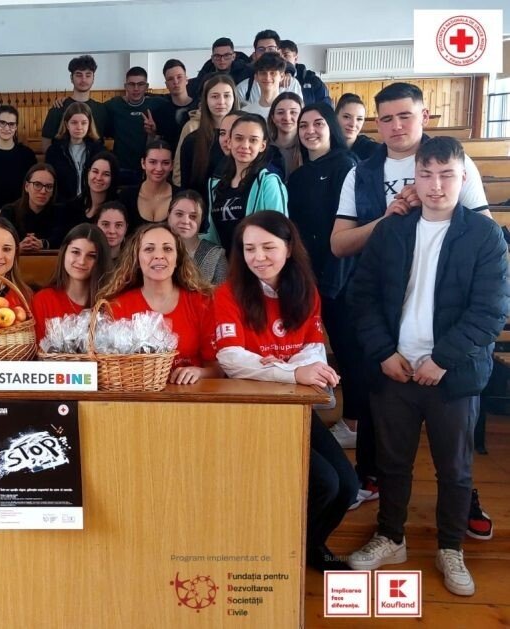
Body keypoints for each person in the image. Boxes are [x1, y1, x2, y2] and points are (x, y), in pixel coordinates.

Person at [345, 137, 509, 596]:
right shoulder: (392, 231)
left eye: (446, 175)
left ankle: (451, 546)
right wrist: (383, 353)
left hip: (452, 375)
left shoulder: (484, 236)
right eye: (426, 175)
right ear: (414, 177)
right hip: (395, 369)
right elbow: (362, 298)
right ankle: (390, 537)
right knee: (391, 463)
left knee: (454, 469)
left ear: (463, 177)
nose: (436, 186)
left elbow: (490, 312)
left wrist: (442, 360)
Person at [332, 82, 493, 512]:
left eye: (405, 115)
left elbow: (483, 233)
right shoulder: (361, 172)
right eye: (386, 118)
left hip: (451, 312)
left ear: (424, 116)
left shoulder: (456, 162)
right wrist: (388, 220)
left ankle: (463, 503)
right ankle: (376, 490)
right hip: (386, 313)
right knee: (381, 420)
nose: (396, 126)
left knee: (454, 441)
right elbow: (339, 245)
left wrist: (431, 206)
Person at [212, 211, 357, 572]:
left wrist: (288, 370)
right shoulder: (228, 293)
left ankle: (310, 544)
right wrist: (294, 372)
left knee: (347, 486)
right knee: (324, 483)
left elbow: (312, 350)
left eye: (268, 247)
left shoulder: (305, 290)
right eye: (249, 249)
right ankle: (284, 549)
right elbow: (231, 359)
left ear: (289, 248)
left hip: (294, 405)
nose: (258, 257)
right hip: (250, 410)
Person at [287, 103, 359, 448]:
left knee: (348, 349)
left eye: (318, 123)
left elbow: (350, 227)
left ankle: (354, 422)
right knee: (307, 344)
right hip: (307, 275)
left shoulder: (346, 166)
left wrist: (333, 281)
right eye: (304, 125)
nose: (310, 130)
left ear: (331, 127)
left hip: (341, 278)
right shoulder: (298, 176)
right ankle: (319, 395)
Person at [99, 223, 221, 385]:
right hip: (139, 396)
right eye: (149, 249)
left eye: (167, 249)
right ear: (137, 259)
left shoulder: (201, 302)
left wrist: (199, 372)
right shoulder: (117, 306)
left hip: (191, 396)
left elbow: (218, 369)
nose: (158, 255)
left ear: (177, 259)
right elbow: (108, 369)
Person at [205, 113, 288, 252]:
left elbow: (280, 233)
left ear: (262, 145)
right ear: (229, 142)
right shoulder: (215, 185)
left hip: (257, 262)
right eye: (239, 138)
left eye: (253, 140)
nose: (245, 145)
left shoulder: (268, 183)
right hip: (223, 264)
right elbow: (212, 237)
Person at [32, 224, 111, 341]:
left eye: (92, 256)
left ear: (101, 261)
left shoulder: (110, 303)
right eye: (75, 252)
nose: (82, 261)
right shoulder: (42, 300)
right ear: (64, 252)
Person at [176, 75, 238, 192]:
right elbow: (186, 186)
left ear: (234, 98)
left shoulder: (243, 139)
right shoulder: (192, 140)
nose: (221, 102)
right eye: (215, 96)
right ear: (205, 100)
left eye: (226, 96)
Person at [103, 66, 159, 184]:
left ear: (146, 86)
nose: (136, 88)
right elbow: (91, 109)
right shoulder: (114, 105)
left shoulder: (156, 105)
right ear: (125, 86)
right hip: (121, 167)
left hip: (148, 168)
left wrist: (153, 132)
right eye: (131, 84)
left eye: (140, 84)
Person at [40, 55, 109, 152]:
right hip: (63, 160)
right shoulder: (58, 107)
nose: (83, 79)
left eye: (88, 75)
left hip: (94, 160)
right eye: (79, 75)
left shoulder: (101, 109)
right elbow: (46, 141)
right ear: (71, 78)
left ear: (93, 78)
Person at [44, 101, 104, 200]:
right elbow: (50, 180)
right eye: (74, 122)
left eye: (84, 123)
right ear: (67, 125)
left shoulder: (98, 150)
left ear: (89, 124)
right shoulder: (54, 151)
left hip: (91, 201)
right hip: (63, 203)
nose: (79, 127)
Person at [167, 190, 227, 285]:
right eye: (179, 214)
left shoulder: (215, 255)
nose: (185, 221)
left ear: (202, 219)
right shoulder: (155, 251)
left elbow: (224, 293)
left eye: (193, 216)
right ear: (168, 215)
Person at [57, 151, 119, 241]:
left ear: (113, 178)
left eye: (106, 174)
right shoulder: (72, 207)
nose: (99, 178)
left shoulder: (116, 210)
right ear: (88, 173)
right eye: (95, 171)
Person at [119, 139, 179, 229]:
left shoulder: (181, 197)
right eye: (153, 162)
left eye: (165, 163)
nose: (159, 168)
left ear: (172, 165)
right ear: (143, 163)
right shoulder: (126, 196)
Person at [0, 164, 58, 252]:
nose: (43, 191)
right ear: (27, 186)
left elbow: (62, 240)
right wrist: (17, 247)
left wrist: (43, 244)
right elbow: (0, 240)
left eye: (49, 187)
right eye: (37, 185)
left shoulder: (59, 213)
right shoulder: (9, 212)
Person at [235, 30, 304, 107]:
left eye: (271, 49)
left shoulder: (292, 84)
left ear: (279, 52)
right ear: (254, 55)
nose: (266, 53)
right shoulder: (243, 88)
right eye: (261, 49)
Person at [187, 36, 252, 99]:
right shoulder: (204, 75)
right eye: (217, 56)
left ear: (233, 57)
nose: (222, 59)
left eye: (226, 55)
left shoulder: (246, 74)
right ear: (212, 58)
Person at [150, 59, 193, 152]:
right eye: (170, 79)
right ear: (166, 84)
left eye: (179, 77)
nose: (175, 82)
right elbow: (155, 144)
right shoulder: (160, 113)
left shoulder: (200, 108)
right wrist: (152, 133)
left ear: (186, 80)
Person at [279, 40, 332, 107]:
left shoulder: (312, 80)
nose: (281, 59)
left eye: (285, 55)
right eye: (278, 56)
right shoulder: (271, 79)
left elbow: (325, 108)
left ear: (296, 58)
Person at [239, 53, 289, 119]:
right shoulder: (246, 112)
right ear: (256, 77)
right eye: (263, 73)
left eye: (272, 73)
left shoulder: (289, 111)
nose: (267, 78)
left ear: (282, 76)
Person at [267, 92, 304, 178]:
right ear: (273, 118)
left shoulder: (309, 149)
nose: (287, 118)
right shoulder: (263, 149)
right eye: (280, 112)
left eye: (293, 112)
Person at [335, 93, 379, 161]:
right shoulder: (325, 147)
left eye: (359, 119)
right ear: (335, 117)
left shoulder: (374, 150)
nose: (353, 124)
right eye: (346, 117)